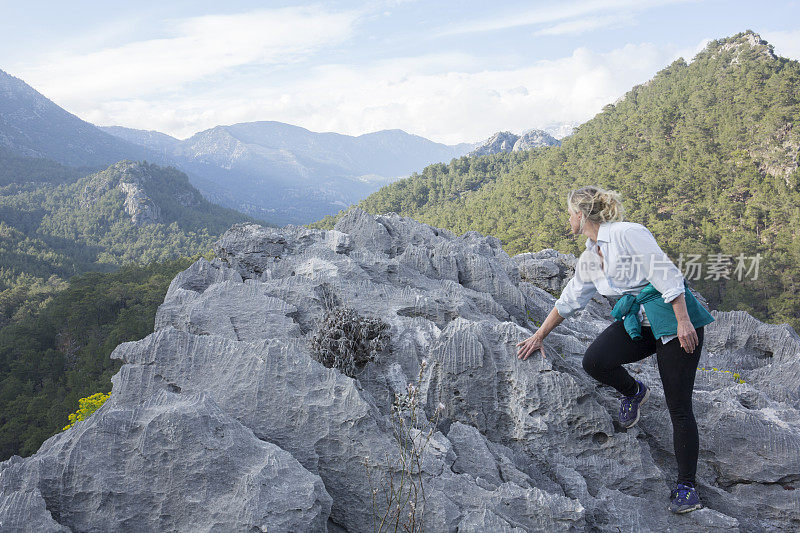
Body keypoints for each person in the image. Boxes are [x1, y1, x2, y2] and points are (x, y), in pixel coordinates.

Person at [515, 186, 714, 514]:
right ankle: (635, 391)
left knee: (678, 406)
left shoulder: (627, 234)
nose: (568, 220)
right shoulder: (590, 258)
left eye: (569, 214)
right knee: (595, 360)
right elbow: (570, 300)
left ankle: (687, 487)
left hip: (674, 320)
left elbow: (665, 273)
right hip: (640, 322)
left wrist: (683, 321)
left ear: (580, 215)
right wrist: (539, 336)